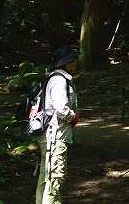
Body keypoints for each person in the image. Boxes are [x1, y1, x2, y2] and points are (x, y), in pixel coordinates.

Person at [36, 45, 80, 204]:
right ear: (66, 62)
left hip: (51, 136)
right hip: (55, 137)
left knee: (46, 176)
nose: (75, 63)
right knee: (55, 178)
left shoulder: (55, 78)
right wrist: (73, 116)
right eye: (73, 60)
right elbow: (61, 108)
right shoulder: (59, 80)